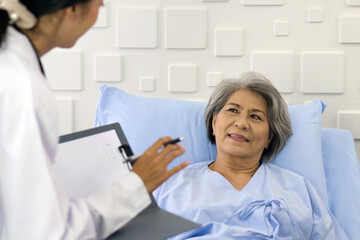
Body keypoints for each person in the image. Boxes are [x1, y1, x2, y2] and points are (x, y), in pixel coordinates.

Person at [0, 0, 189, 239]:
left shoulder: (12, 66)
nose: (100, 8)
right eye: (99, 4)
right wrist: (137, 184)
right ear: (72, 10)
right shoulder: (23, 90)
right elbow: (50, 233)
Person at [153, 71, 349, 239]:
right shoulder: (172, 186)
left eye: (255, 116)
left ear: (269, 137)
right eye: (232, 110)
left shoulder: (298, 189)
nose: (241, 123)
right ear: (214, 122)